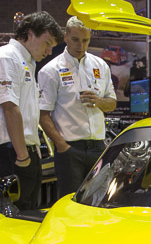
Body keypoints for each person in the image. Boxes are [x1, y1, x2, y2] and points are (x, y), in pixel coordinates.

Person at [0, 11, 63, 209]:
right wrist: (22, 156)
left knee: (27, 212)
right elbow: (9, 108)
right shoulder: (6, 57)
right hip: (11, 153)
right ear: (29, 34)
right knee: (14, 217)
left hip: (24, 151)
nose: (49, 51)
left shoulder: (27, 62)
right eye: (47, 43)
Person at [38, 16, 118, 198]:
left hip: (98, 147)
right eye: (75, 39)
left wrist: (99, 101)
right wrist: (61, 146)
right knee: (70, 203)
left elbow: (112, 103)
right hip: (70, 149)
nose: (80, 45)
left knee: (98, 201)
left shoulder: (101, 66)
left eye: (85, 40)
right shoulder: (51, 70)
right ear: (65, 36)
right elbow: (43, 115)